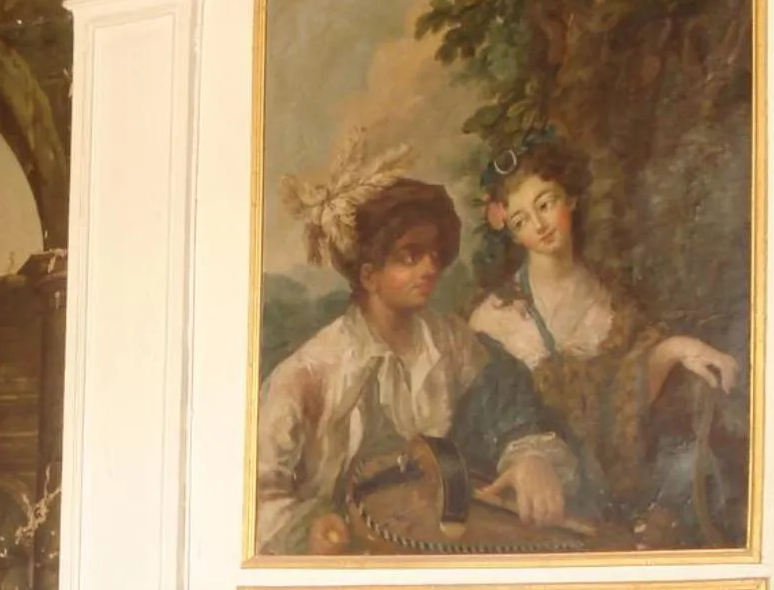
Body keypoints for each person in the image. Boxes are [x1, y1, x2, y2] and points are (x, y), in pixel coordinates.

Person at [448, 132, 742, 545]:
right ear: (511, 233)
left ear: (571, 199)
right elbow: (483, 425)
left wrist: (675, 349)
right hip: (544, 490)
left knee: (695, 467)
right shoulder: (492, 317)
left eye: (546, 204)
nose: (539, 225)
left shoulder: (611, 300)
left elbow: (630, 392)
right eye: (521, 220)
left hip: (618, 473)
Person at [256, 140, 490, 555]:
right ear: (369, 275)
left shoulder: (450, 341)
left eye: (434, 255)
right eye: (410, 256)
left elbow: (501, 407)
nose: (430, 268)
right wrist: (308, 530)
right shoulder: (308, 373)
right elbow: (257, 492)